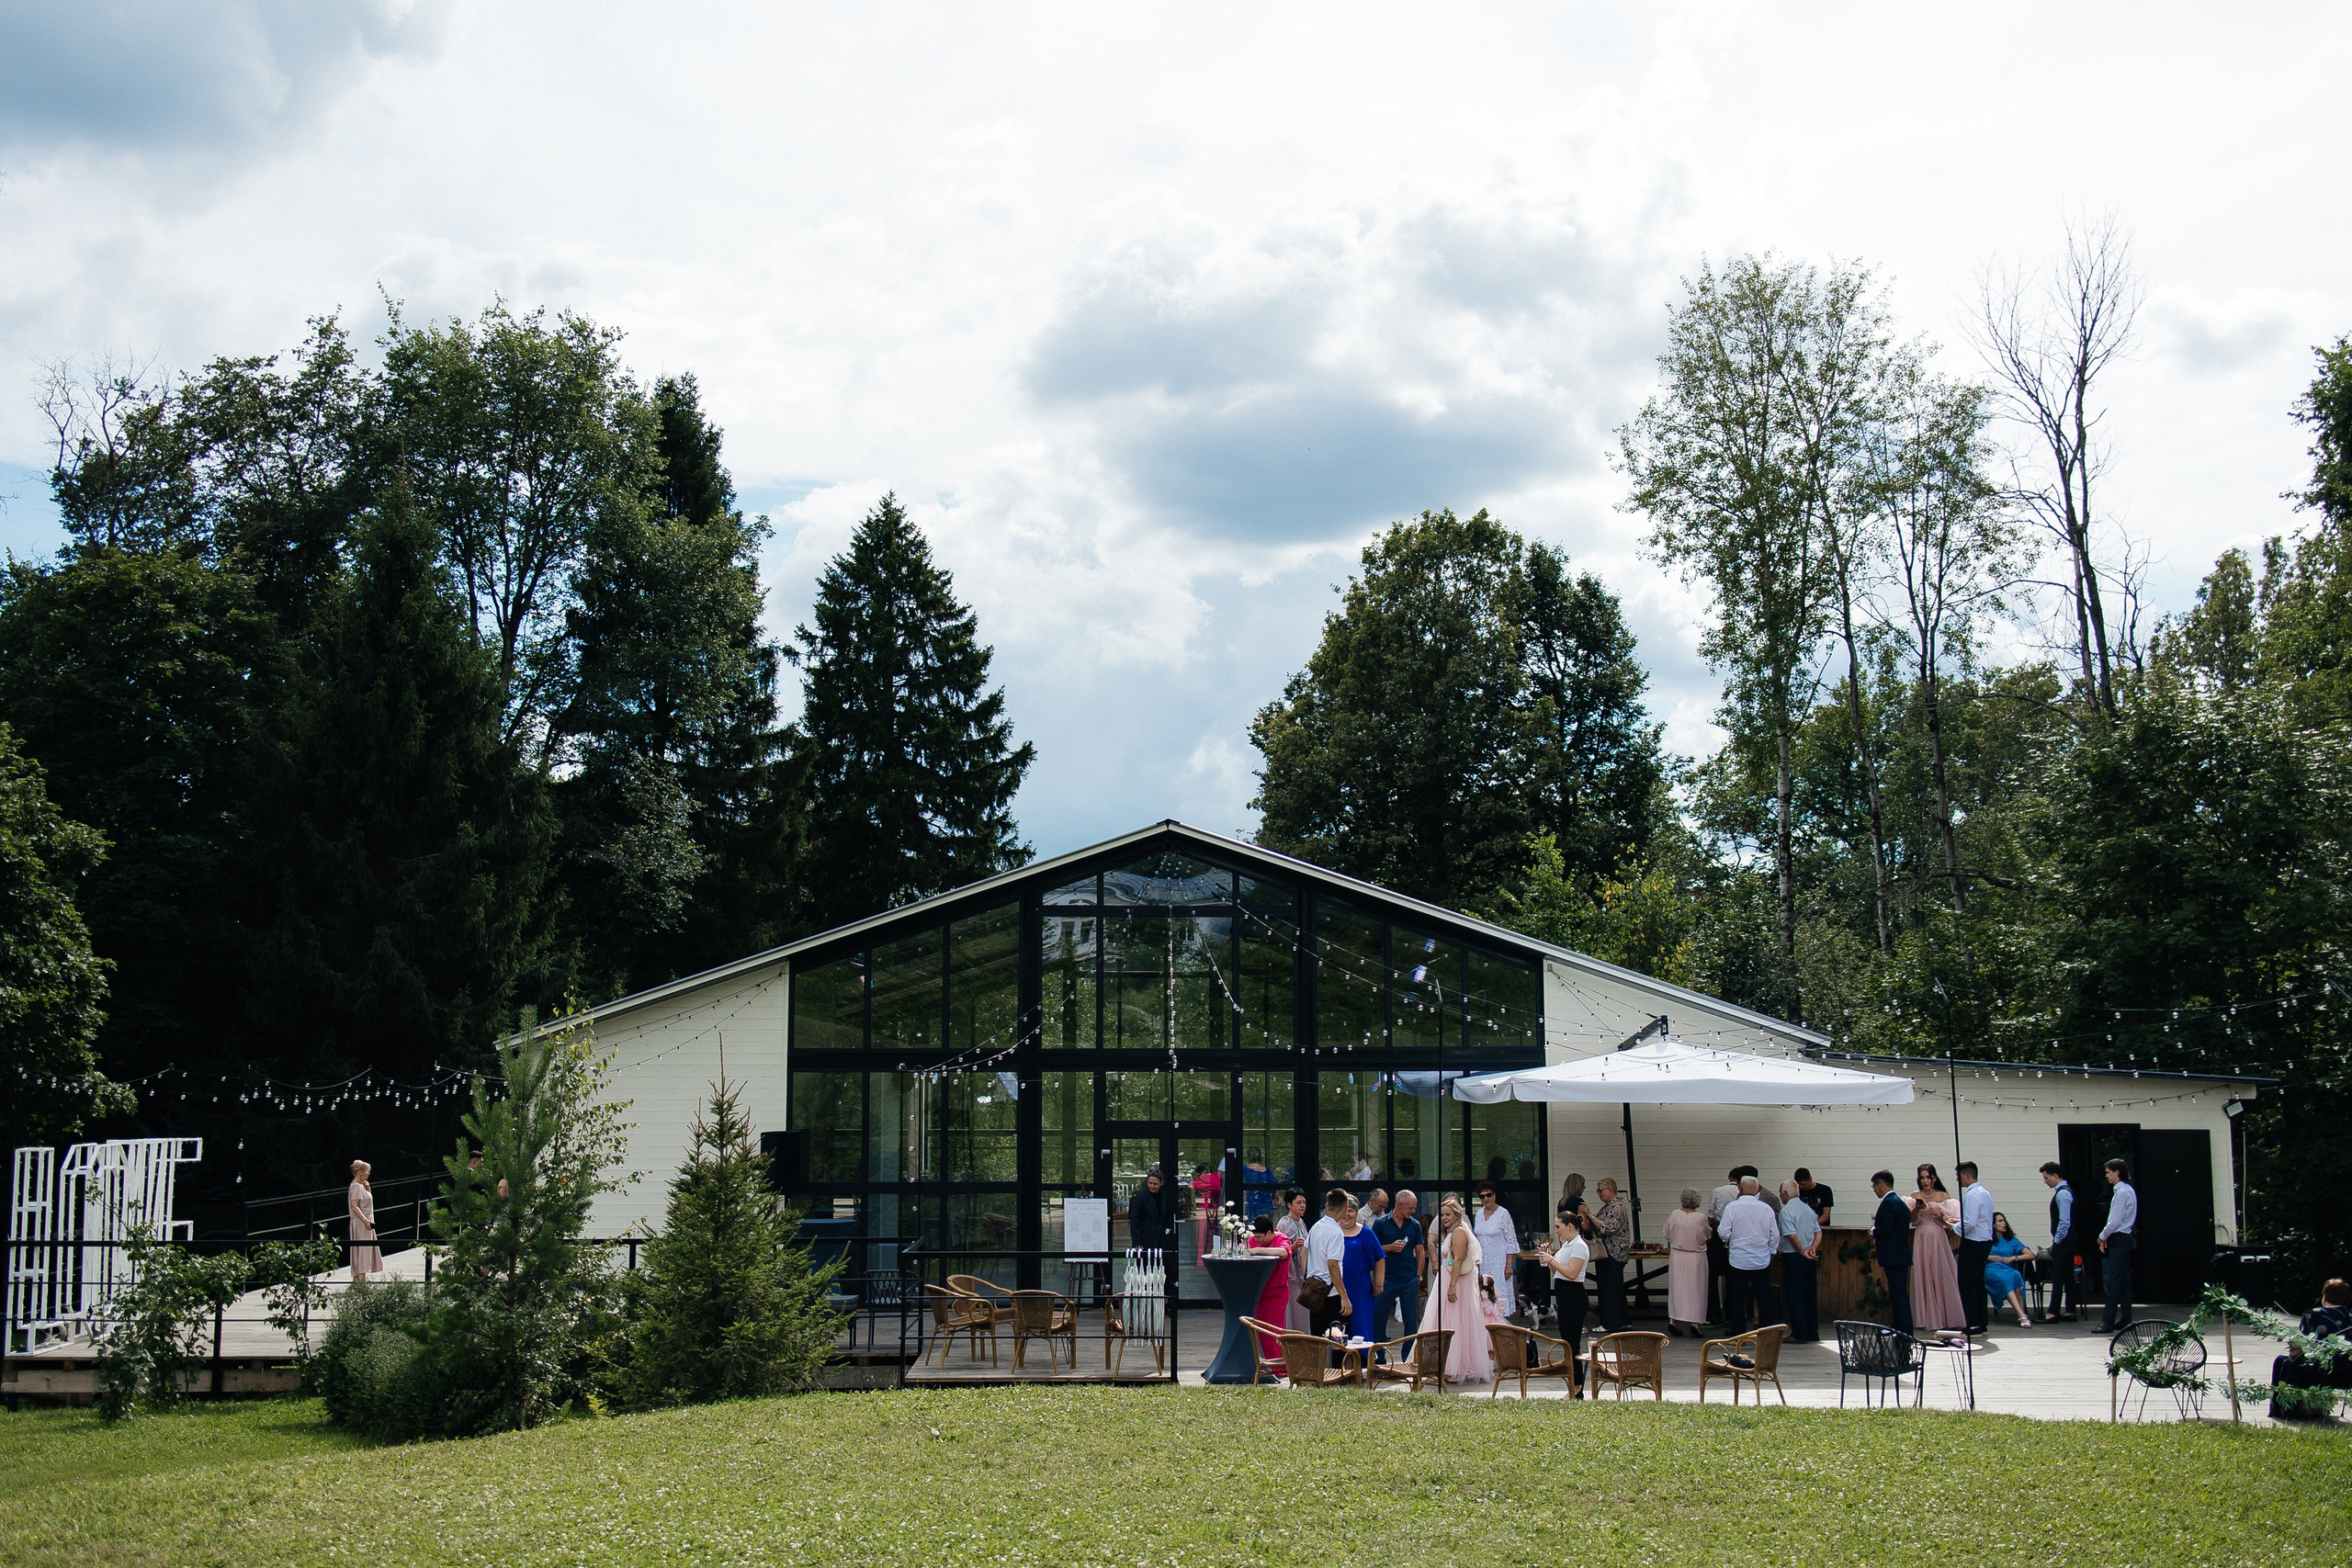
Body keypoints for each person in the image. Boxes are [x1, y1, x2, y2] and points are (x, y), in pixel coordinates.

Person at [1430, 1195, 1494, 1383]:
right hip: (1448, 1276)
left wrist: (1451, 1286)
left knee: (1456, 1321)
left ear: (1457, 1214)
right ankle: (1447, 1364)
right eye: (1442, 1215)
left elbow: (1458, 1259)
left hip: (1456, 1281)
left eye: (1447, 1214)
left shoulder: (1459, 1231)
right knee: (1447, 1320)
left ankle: (1457, 1366)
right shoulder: (1452, 1231)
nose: (1443, 1218)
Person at [2269, 1278, 2352, 1421]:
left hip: (2316, 1371)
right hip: (2347, 1372)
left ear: (2325, 1296)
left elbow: (2296, 1350)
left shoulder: (2311, 1315)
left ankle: (2285, 1410)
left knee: (2282, 1361)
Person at [1908, 1164, 1966, 1335]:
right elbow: (1912, 1220)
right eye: (1922, 1178)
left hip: (1938, 1236)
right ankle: (1925, 1317)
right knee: (1922, 1273)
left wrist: (1938, 1213)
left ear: (1934, 1178)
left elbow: (1949, 1222)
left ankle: (1945, 1316)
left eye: (1928, 1177)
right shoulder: (1914, 1195)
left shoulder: (1943, 1196)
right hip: (1921, 1236)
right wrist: (1917, 1209)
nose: (1925, 1181)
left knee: (1940, 1273)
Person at [1719, 1176, 1781, 1336]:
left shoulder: (1732, 1207)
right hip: (1761, 1259)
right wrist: (1771, 1252)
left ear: (1740, 1188)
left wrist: (1729, 1241)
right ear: (1757, 1189)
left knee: (1738, 1297)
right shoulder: (1766, 1208)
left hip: (1739, 1259)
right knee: (1763, 1297)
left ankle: (1738, 1331)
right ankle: (1766, 1331)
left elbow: (1723, 1232)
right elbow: (1774, 1235)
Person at [1537, 1220, 1590, 1385]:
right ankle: (1573, 1384)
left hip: (1574, 1297)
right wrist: (1549, 1259)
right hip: (1564, 1297)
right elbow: (1558, 1272)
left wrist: (1551, 1260)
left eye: (1558, 1227)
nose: (1556, 1231)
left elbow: (1572, 1273)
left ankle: (1577, 1386)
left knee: (1572, 1344)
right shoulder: (1567, 1245)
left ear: (1570, 1226)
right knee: (1567, 1343)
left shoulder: (1579, 1246)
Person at [1373, 1190, 1423, 1349]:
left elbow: (1420, 1251)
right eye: (1411, 1208)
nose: (1413, 1211)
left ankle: (1408, 1357)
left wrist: (1418, 1276)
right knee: (1379, 1319)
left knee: (1411, 1321)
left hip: (1409, 1279)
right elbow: (1373, 1250)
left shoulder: (1414, 1225)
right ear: (1400, 1205)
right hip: (1386, 1279)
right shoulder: (1380, 1224)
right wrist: (1389, 1248)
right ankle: (1379, 1358)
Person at [1777, 1179, 1822, 1342]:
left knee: (1794, 1295)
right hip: (1810, 1257)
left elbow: (1791, 1235)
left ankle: (1798, 1333)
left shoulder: (1786, 1211)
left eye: (1781, 1192)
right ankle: (1812, 1331)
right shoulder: (1808, 1209)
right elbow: (1818, 1232)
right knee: (1810, 1294)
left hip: (1794, 1256)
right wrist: (1812, 1248)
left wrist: (1802, 1252)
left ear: (1786, 1194)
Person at [1871, 1170, 1915, 1335]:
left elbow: (1887, 1228)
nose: (1875, 1190)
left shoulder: (1889, 1203)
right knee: (1899, 1292)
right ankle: (1901, 1326)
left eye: (1874, 1186)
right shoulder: (1900, 1202)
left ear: (1881, 1184)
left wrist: (1874, 1231)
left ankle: (1902, 1328)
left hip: (1894, 1256)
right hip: (1901, 1255)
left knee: (1898, 1294)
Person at [1339, 1198, 1386, 1345]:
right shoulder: (1331, 1232)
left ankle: (1362, 1360)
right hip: (1335, 1288)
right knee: (1338, 1326)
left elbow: (1380, 1258)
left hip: (1360, 1288)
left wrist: (1378, 1284)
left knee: (1361, 1324)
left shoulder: (1366, 1233)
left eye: (1351, 1211)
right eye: (1344, 1211)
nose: (1347, 1215)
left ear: (1357, 1212)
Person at [1247, 1213, 1294, 1361]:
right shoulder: (1253, 1240)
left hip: (1276, 1293)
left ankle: (1277, 1365)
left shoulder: (1281, 1239)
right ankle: (1261, 1362)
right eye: (1256, 1237)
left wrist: (1259, 1250)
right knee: (1259, 1332)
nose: (1257, 1240)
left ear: (1269, 1233)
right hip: (1259, 1293)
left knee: (1273, 1331)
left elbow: (1283, 1252)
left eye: (1260, 1237)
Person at [2098, 1158, 2138, 1332]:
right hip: (2123, 1237)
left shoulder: (2122, 1192)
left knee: (2114, 1280)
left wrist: (2102, 1236)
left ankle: (2107, 1321)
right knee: (2123, 1282)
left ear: (2117, 1172)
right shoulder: (2127, 1190)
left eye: (2108, 1172)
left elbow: (2114, 1221)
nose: (2107, 1175)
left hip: (2119, 1237)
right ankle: (2126, 1318)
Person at [1665, 1189, 1712, 1336]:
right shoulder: (1701, 1217)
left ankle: (1673, 1320)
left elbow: (1667, 1233)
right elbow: (1707, 1234)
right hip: (1696, 1256)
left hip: (1678, 1255)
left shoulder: (1675, 1214)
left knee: (1677, 1288)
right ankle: (1695, 1323)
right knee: (1696, 1289)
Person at [1306, 1188, 1351, 1337]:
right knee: (1338, 1339)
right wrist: (1344, 1296)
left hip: (1314, 1290)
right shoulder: (1336, 1231)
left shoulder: (1316, 1227)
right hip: (1331, 1293)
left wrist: (1309, 1277)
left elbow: (1303, 1254)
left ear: (1327, 1206)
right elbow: (1333, 1264)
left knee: (1317, 1338)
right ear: (1346, 1208)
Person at [1471, 1182, 1520, 1320]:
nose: (1486, 1198)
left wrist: (1509, 1265)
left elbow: (1511, 1240)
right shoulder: (1479, 1214)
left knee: (1498, 1297)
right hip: (1482, 1262)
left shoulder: (1503, 1214)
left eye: (1489, 1195)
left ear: (1494, 1195)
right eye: (1482, 1196)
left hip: (1499, 1263)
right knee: (1483, 1296)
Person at [1956, 1160, 1995, 1336]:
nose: (1958, 1180)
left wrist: (1952, 1226)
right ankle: (1981, 1321)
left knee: (1967, 1283)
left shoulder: (1971, 1195)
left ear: (1967, 1175)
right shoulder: (1985, 1193)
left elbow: (1969, 1223)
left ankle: (1972, 1322)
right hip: (1985, 1240)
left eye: (1959, 1176)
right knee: (1978, 1283)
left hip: (1973, 1242)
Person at [1589, 1178, 1633, 1333]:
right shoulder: (1606, 1208)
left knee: (1609, 1289)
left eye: (1601, 1190)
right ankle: (1623, 1320)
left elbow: (1608, 1228)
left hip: (1614, 1253)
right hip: (1607, 1252)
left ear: (1610, 1190)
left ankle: (1610, 1322)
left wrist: (1590, 1216)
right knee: (1615, 1288)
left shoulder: (1617, 1207)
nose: (1599, 1193)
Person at [2040, 1162, 2080, 1322]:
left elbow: (2064, 1221)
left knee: (2057, 1274)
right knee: (2068, 1275)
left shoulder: (2062, 1194)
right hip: (2069, 1238)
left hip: (2064, 1239)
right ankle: (2070, 1310)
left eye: (2046, 1177)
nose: (2045, 1181)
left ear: (2055, 1176)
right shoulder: (2065, 1192)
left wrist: (2056, 1241)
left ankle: (2052, 1312)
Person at [1705, 1167, 1743, 1325]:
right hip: (1737, 1234)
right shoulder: (1744, 1194)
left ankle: (1713, 1315)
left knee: (1712, 1276)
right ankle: (1731, 1314)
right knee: (1733, 1277)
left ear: (1729, 1177)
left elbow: (1711, 1216)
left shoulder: (1718, 1191)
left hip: (1718, 1234)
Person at [1984, 1213, 2032, 1327]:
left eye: (2004, 1220)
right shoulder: (1986, 1239)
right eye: (2000, 1221)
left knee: (2015, 1275)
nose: (2004, 1223)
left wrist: (2014, 1257)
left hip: (2008, 1269)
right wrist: (1991, 1257)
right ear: (1993, 1225)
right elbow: (1977, 1255)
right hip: (1992, 1269)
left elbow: (2031, 1255)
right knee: (2008, 1278)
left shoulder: (2012, 1240)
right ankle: (2021, 1315)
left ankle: (2021, 1314)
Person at [1276, 1189, 1314, 1330]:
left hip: (1301, 1272)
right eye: (1298, 1202)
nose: (1302, 1205)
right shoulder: (1284, 1223)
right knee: (1293, 1307)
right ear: (1289, 1205)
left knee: (1302, 1309)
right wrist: (1294, 1246)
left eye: (1304, 1202)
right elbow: (1281, 1251)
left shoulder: (1301, 1222)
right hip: (1290, 1274)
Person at [1128, 1167, 1178, 1262]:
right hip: (1146, 1240)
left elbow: (1168, 1218)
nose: (1152, 1186)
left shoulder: (1165, 1197)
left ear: (1161, 1183)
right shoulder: (1140, 1197)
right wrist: (1137, 1242)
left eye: (1155, 1184)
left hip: (1162, 1240)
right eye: (1150, 1183)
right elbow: (1134, 1221)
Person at [347, 1160, 381, 1278]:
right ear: (360, 1172)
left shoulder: (360, 1186)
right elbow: (354, 1205)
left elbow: (366, 1202)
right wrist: (365, 1221)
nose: (368, 1174)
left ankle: (359, 1279)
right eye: (367, 1171)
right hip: (362, 1223)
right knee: (363, 1251)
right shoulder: (356, 1187)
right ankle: (361, 1280)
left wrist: (368, 1189)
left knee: (363, 1251)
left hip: (364, 1221)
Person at [1190, 1161, 1224, 1263]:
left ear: (1202, 1172)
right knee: (1216, 1234)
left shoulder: (1202, 1179)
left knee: (1202, 1236)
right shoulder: (1217, 1177)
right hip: (1217, 1209)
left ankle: (1201, 1260)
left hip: (1204, 1210)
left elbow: (1191, 1187)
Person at [1243, 1148, 1274, 1218]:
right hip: (1266, 1204)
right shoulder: (1267, 1171)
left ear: (1248, 1157)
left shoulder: (1245, 1169)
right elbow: (1275, 1187)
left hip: (1252, 1204)